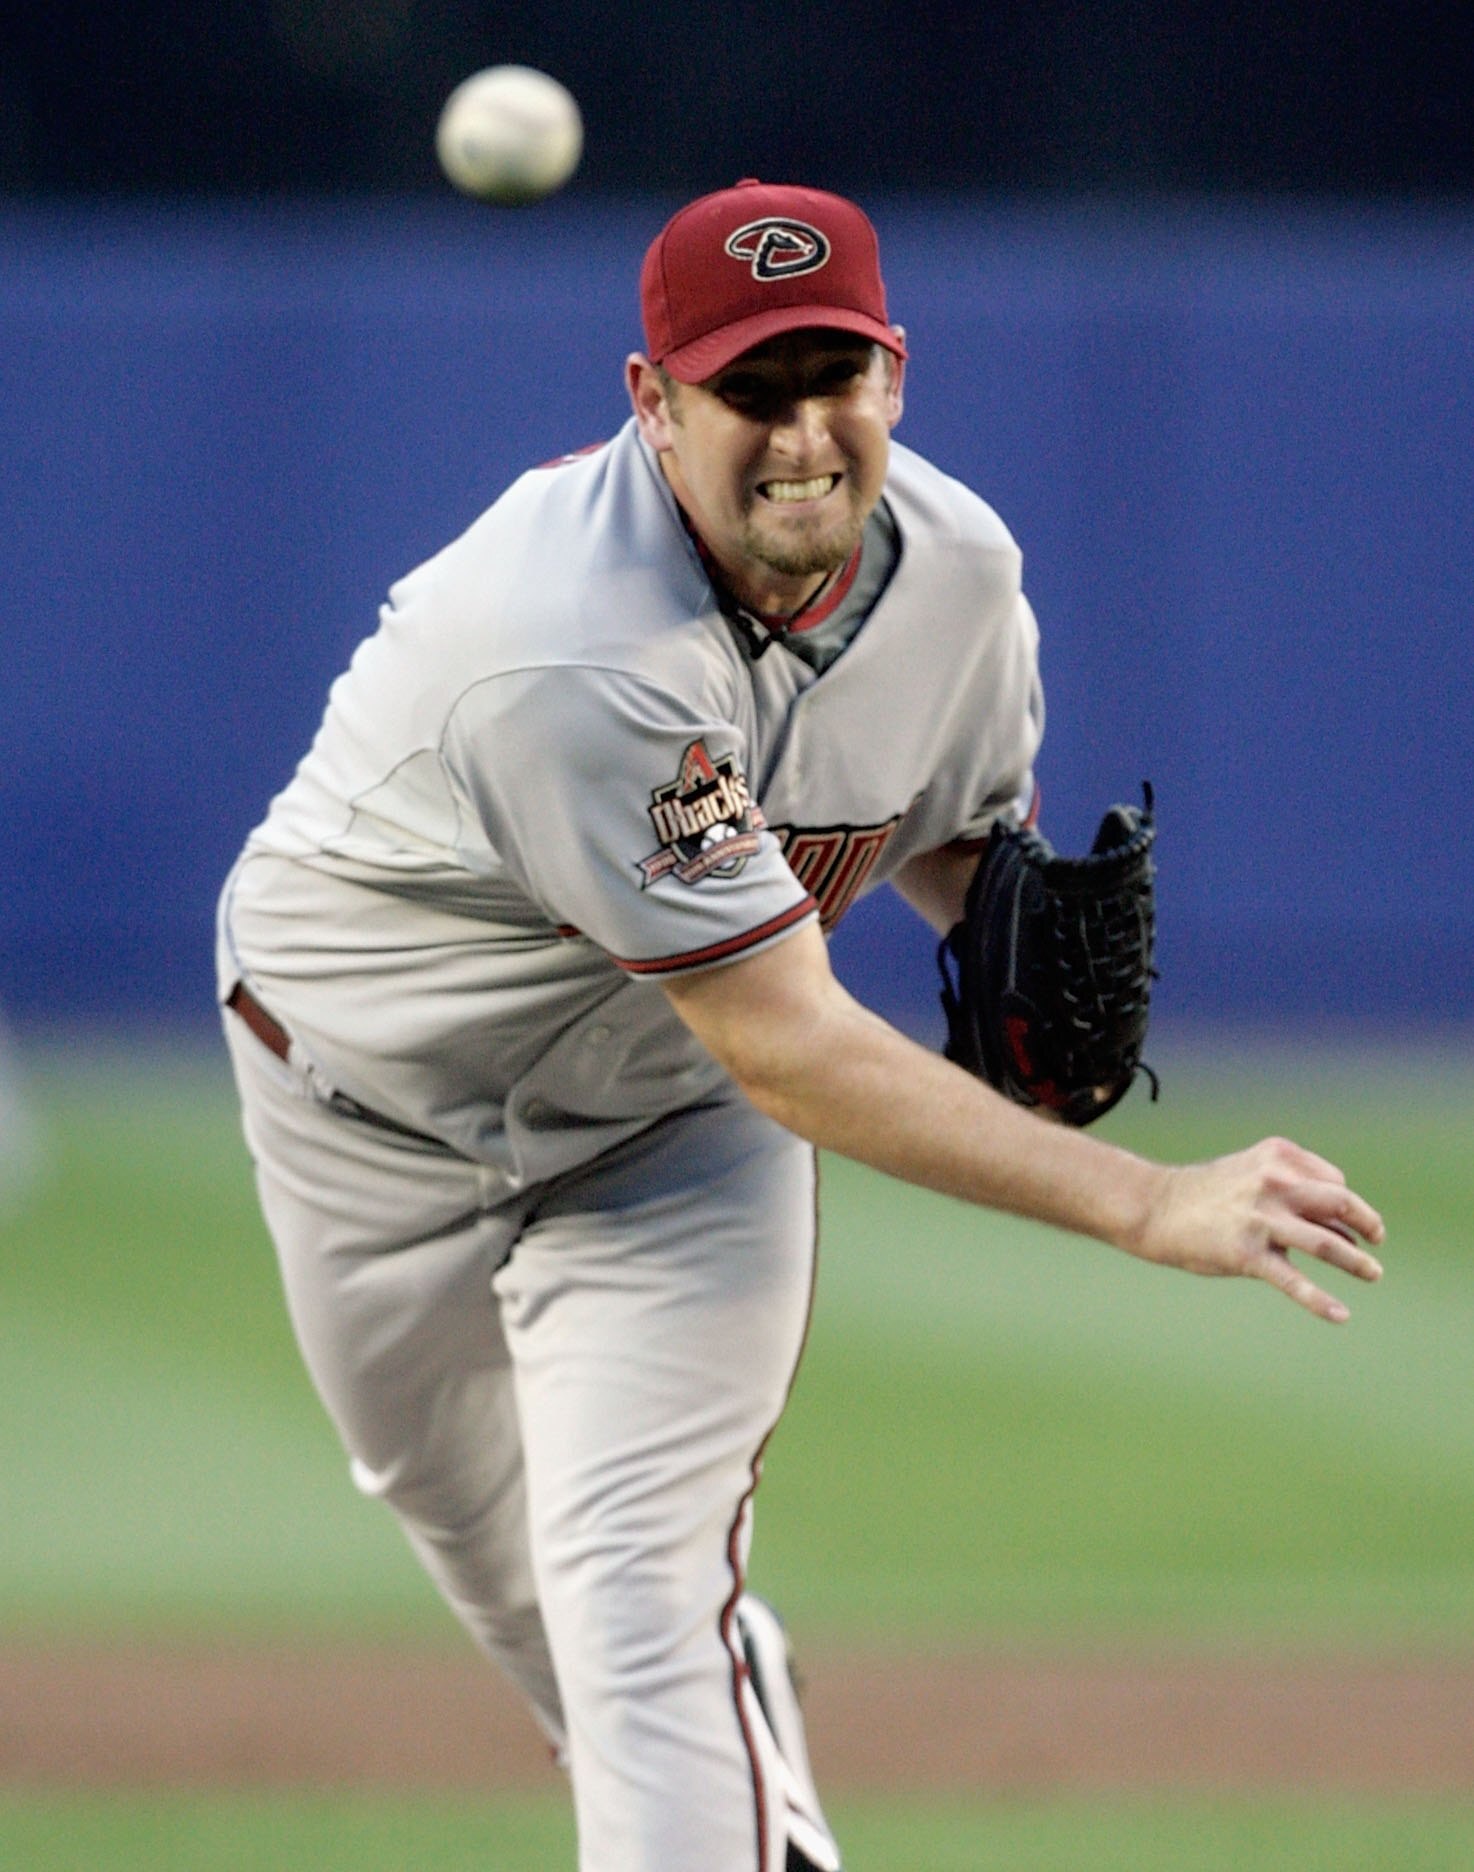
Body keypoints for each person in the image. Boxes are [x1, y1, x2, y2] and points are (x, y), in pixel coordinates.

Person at [216, 178, 1384, 1872]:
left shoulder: (963, 579)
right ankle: (727, 1698)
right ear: (652, 404)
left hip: (668, 1141)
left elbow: (950, 844)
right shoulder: (565, 647)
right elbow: (788, 1037)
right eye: (752, 393)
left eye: (836, 380)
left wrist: (997, 918)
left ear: (896, 376)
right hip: (362, 1127)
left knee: (631, 1601)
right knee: (532, 1597)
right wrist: (1144, 1199)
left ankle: (707, 1700)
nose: (802, 436)